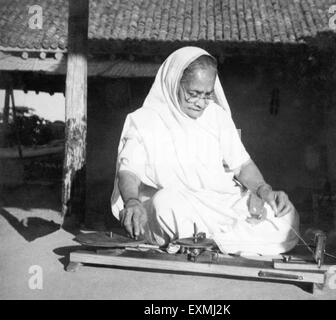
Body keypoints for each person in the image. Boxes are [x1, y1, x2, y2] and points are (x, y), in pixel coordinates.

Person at [111, 46, 299, 255]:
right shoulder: (146, 120)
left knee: (285, 217)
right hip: (180, 205)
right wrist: (133, 201)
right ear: (175, 83)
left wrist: (266, 191)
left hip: (221, 205)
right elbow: (129, 171)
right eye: (193, 94)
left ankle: (207, 242)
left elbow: (242, 165)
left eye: (207, 95)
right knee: (164, 203)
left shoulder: (217, 116)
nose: (201, 103)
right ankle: (225, 242)